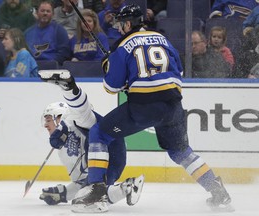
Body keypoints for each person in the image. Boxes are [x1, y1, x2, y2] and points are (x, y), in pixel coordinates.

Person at [71, 4, 233, 213]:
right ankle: (216, 189)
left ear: (128, 24)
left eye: (121, 24)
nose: (120, 28)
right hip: (173, 106)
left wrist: (108, 66)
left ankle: (95, 190)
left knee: (99, 133)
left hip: (144, 106)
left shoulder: (123, 46)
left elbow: (111, 87)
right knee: (180, 151)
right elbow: (178, 71)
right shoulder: (163, 39)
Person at [37, 69, 144, 211]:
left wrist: (63, 126)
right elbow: (81, 183)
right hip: (109, 161)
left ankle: (69, 87)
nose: (45, 125)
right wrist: (62, 193)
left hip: (110, 144)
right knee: (89, 195)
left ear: (59, 117)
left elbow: (82, 116)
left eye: (49, 119)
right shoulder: (63, 152)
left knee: (93, 195)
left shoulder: (72, 122)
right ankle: (127, 187)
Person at [24, 1, 71, 65]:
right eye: (42, 11)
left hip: (52, 68)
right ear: (37, 13)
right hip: (32, 68)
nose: (45, 13)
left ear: (53, 14)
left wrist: (50, 64)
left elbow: (64, 53)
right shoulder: (28, 33)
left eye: (48, 11)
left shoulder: (59, 31)